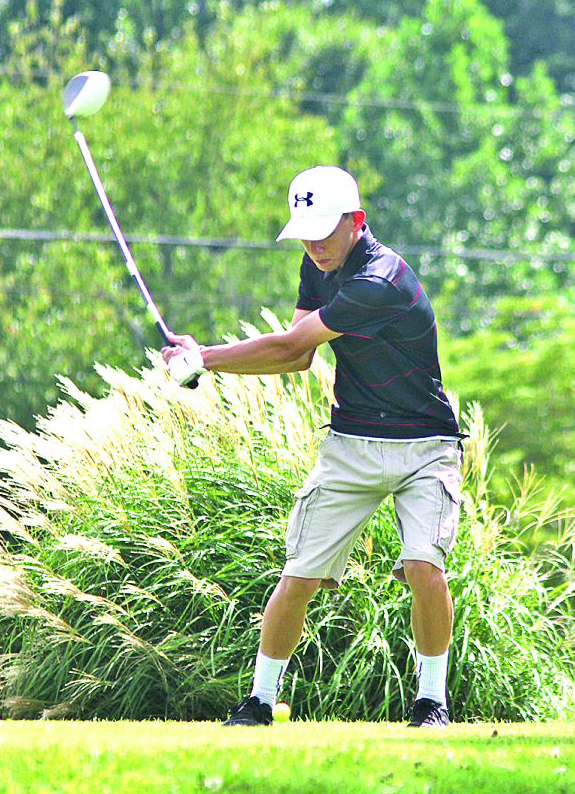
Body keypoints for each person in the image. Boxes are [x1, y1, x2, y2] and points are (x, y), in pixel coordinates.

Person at [162, 165, 463, 728]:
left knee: (423, 567)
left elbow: (291, 344)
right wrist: (205, 362)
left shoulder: (381, 280)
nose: (314, 246)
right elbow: (299, 358)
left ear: (357, 221)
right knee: (298, 575)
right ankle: (259, 700)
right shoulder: (318, 265)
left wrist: (202, 358)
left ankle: (432, 702)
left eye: (324, 232)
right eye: (305, 235)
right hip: (351, 442)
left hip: (425, 446)